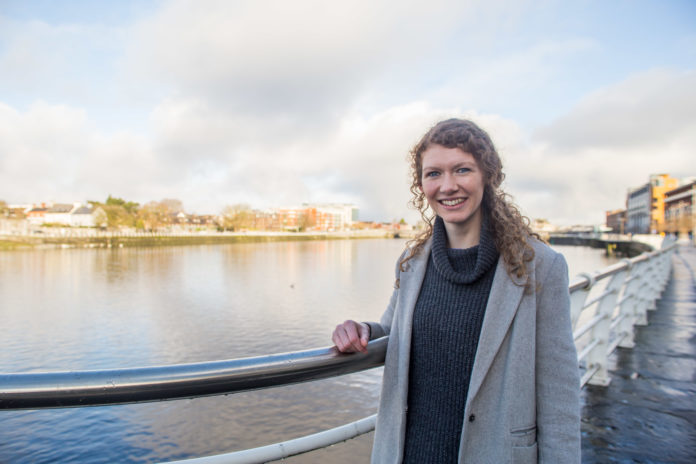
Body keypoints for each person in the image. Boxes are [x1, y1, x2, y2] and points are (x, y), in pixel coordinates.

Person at [332, 118, 580, 463]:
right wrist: (361, 331)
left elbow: (559, 395)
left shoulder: (540, 266)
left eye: (462, 170)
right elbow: (393, 331)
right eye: (433, 174)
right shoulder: (413, 261)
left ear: (488, 176)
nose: (448, 186)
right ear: (421, 185)